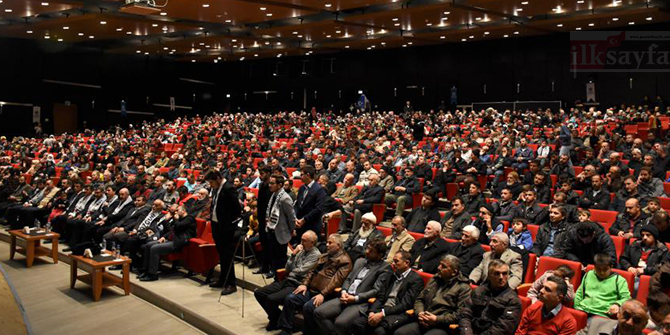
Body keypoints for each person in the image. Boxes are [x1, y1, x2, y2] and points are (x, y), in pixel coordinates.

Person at [277, 234, 352, 335]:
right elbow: (311, 272)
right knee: (290, 298)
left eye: (330, 243)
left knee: (308, 307)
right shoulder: (324, 256)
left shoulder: (345, 261)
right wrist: (304, 284)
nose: (327, 245)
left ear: (338, 245)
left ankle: (308, 332)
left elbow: (336, 281)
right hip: (311, 290)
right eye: (327, 242)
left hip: (326, 295)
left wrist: (323, 294)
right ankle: (286, 329)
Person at [312, 238, 391, 335]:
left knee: (340, 323)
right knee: (318, 312)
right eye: (367, 248)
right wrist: (344, 291)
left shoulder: (385, 267)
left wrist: (355, 298)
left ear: (380, 255)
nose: (366, 252)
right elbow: (348, 279)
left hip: (360, 302)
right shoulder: (360, 261)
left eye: (371, 251)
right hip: (345, 296)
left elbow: (376, 290)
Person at [255, 230, 321, 332]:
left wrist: (292, 269)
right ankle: (276, 319)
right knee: (259, 293)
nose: (301, 242)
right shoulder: (300, 250)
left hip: (297, 284)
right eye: (301, 239)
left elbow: (301, 271)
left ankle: (276, 321)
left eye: (304, 240)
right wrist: (293, 254)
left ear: (312, 243)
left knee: (271, 299)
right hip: (287, 280)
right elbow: (287, 268)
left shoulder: (315, 255)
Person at [394, 254, 472, 335]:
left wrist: (436, 319)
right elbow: (420, 299)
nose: (439, 268)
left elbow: (460, 315)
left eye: (443, 266)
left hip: (442, 326)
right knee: (399, 333)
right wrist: (420, 313)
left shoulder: (463, 288)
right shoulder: (435, 279)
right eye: (440, 264)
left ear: (454, 272)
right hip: (423, 320)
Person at [351, 250, 424, 335]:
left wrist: (382, 314)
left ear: (406, 263)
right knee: (358, 323)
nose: (393, 264)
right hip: (381, 309)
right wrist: (372, 311)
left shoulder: (415, 280)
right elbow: (380, 297)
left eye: (396, 261)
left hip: (397, 313)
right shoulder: (391, 275)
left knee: (379, 331)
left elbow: (405, 305)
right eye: (393, 261)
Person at [205, 170, 242, 295]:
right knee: (221, 255)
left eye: (211, 182)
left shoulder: (229, 188)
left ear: (218, 178)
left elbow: (237, 209)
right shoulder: (217, 188)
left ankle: (231, 283)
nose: (210, 185)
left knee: (227, 256)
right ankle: (223, 279)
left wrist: (228, 223)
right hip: (216, 224)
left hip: (226, 227)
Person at [460, 259, 522, 335]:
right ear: (489, 275)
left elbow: (503, 328)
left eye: (504, 274)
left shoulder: (513, 300)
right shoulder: (478, 291)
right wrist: (467, 332)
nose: (501, 277)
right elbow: (465, 314)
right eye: (497, 273)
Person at [137, 205, 196, 281]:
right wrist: (164, 237)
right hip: (171, 240)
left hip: (178, 243)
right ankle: (146, 271)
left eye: (177, 210)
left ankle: (153, 274)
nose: (176, 212)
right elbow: (172, 230)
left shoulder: (190, 219)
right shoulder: (179, 218)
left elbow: (178, 226)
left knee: (154, 248)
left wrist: (176, 219)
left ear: (183, 211)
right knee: (149, 245)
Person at [574, 253, 632, 318]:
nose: (602, 272)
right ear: (594, 267)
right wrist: (577, 309)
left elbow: (626, 298)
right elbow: (579, 293)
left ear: (611, 267)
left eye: (605, 269)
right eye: (598, 269)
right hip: (582, 310)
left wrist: (617, 304)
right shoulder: (589, 274)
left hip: (601, 314)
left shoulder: (619, 280)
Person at [264, 174, 297, 277]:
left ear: (280, 185)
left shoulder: (285, 198)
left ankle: (280, 277)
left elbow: (291, 217)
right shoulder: (274, 195)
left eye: (272, 183)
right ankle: (274, 272)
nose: (269, 185)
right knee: (273, 255)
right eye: (270, 183)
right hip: (271, 229)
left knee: (281, 258)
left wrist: (292, 230)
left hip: (281, 232)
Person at [576, 300, 648, 335]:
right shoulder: (595, 323)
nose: (629, 322)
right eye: (626, 316)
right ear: (618, 314)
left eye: (637, 320)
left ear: (644, 325)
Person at [294, 165, 327, 238]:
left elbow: (318, 209)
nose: (300, 176)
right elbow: (297, 204)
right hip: (299, 224)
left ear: (308, 175)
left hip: (312, 225)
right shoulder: (302, 188)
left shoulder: (319, 189)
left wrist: (304, 220)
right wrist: (296, 218)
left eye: (302, 174)